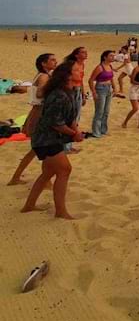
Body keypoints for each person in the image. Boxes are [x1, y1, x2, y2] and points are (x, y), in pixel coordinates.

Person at [21, 62, 84, 220]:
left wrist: (75, 130)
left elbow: (71, 118)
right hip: (46, 139)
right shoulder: (59, 94)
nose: (81, 71)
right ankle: (60, 211)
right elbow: (55, 123)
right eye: (77, 70)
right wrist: (73, 134)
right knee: (64, 170)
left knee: (48, 173)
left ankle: (29, 206)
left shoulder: (70, 91)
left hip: (51, 138)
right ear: (67, 75)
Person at [9, 53, 57, 185]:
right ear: (43, 63)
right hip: (40, 113)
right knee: (43, 148)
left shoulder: (44, 75)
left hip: (38, 112)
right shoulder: (44, 76)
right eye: (52, 60)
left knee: (37, 149)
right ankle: (45, 182)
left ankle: (16, 178)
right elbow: (40, 93)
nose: (55, 62)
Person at [63, 47, 88, 153]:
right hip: (70, 91)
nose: (86, 54)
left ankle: (69, 145)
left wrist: (83, 94)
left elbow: (81, 80)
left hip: (77, 91)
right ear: (76, 55)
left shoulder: (82, 65)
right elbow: (65, 79)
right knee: (70, 118)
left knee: (76, 117)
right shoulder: (71, 65)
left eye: (86, 52)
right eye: (83, 52)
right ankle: (66, 147)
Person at [88, 50, 117, 138]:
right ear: (105, 57)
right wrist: (93, 92)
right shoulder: (100, 67)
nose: (113, 57)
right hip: (100, 88)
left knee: (106, 111)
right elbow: (91, 80)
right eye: (111, 56)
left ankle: (103, 130)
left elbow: (111, 78)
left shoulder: (110, 66)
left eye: (113, 56)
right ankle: (96, 132)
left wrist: (115, 87)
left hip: (108, 88)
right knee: (99, 111)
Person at [122, 55, 139, 129]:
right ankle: (125, 122)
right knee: (135, 108)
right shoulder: (136, 69)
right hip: (134, 89)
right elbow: (132, 81)